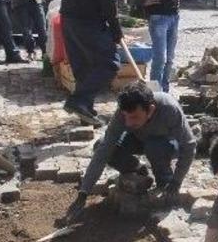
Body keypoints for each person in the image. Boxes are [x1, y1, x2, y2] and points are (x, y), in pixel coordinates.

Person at [63, 81, 196, 223]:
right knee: (100, 145)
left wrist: (176, 182)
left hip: (166, 144)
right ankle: (137, 168)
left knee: (154, 147)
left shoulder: (169, 109)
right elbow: (104, 150)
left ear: (150, 110)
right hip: (138, 140)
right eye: (126, 116)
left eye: (134, 117)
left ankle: (164, 182)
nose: (127, 123)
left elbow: (189, 146)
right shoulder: (123, 112)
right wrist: (83, 193)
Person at [60, 0, 123, 127]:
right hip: (90, 21)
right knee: (110, 63)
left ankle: (85, 112)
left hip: (68, 18)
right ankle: (78, 101)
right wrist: (116, 29)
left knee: (83, 68)